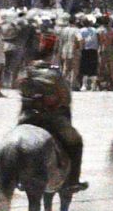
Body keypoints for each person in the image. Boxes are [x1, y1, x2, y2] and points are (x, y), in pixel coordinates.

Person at [18, 58, 88, 193]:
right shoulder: (54, 74)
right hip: (50, 118)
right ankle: (73, 181)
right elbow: (66, 98)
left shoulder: (25, 73)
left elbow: (21, 93)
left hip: (26, 118)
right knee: (76, 142)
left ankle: (14, 174)